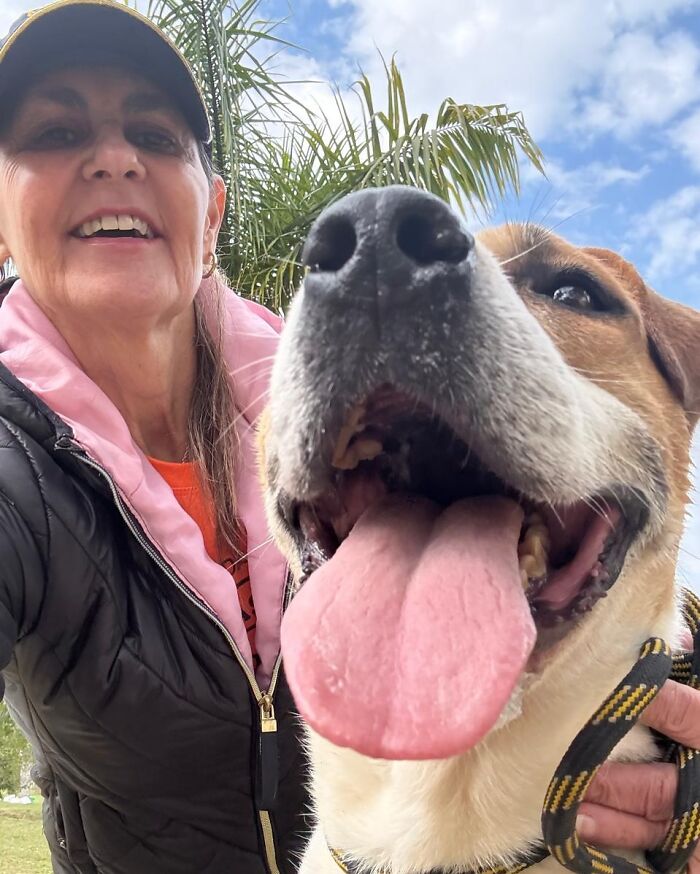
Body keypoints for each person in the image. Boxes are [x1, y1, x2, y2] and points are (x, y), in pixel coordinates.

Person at [0, 2, 697, 873]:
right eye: (55, 132)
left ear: (212, 213)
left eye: (567, 292)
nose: (111, 158)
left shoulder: (267, 403)